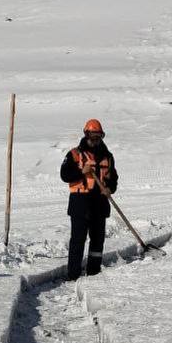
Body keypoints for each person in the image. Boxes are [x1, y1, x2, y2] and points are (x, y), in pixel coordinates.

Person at [60, 118, 118, 280]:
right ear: (86, 134)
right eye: (93, 134)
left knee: (98, 241)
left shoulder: (108, 156)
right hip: (80, 203)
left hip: (100, 203)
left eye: (98, 135)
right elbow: (64, 175)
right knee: (78, 240)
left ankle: (93, 272)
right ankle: (73, 275)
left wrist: (110, 188)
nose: (95, 138)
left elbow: (113, 178)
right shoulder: (75, 154)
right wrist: (81, 172)